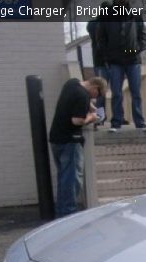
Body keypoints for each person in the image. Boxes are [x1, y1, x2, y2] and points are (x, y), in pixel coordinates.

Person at [48, 76, 107, 217]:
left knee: (63, 178)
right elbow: (76, 120)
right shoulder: (82, 96)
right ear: (95, 87)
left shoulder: (72, 83)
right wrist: (92, 118)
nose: (95, 98)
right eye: (97, 95)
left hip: (56, 139)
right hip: (70, 141)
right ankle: (68, 214)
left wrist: (91, 107)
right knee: (71, 181)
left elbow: (76, 101)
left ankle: (61, 212)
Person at [98, 0, 146, 131]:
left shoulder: (135, 14)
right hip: (115, 62)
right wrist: (107, 56)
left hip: (133, 61)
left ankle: (140, 123)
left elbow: (143, 37)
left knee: (136, 93)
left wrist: (134, 50)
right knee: (116, 93)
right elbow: (101, 38)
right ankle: (116, 123)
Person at [86, 0, 112, 126]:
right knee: (100, 92)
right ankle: (100, 117)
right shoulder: (95, 24)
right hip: (101, 61)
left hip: (109, 61)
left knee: (112, 91)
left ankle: (102, 117)